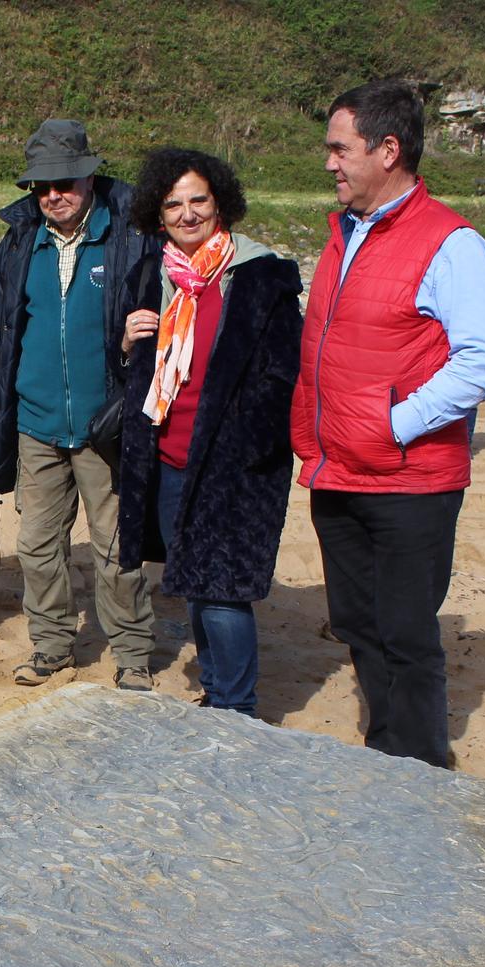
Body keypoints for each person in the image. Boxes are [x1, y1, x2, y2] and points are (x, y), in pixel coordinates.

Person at [289, 79, 485, 768]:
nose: (329, 163)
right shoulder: (342, 234)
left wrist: (393, 422)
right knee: (356, 623)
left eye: (340, 148)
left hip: (409, 477)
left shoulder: (451, 243)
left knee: (407, 632)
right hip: (338, 468)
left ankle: (419, 767)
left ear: (388, 150)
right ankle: (386, 751)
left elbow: (484, 359)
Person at [112, 148, 302, 717]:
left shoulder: (261, 273)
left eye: (198, 200)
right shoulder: (153, 273)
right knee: (194, 577)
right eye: (173, 204)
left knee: (224, 589)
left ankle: (236, 706)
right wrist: (127, 341)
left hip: (233, 461)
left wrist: (249, 448)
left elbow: (282, 373)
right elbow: (134, 367)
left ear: (220, 202)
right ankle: (218, 688)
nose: (187, 213)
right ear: (157, 212)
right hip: (168, 454)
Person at [0, 119, 158, 691]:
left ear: (89, 176)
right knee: (37, 547)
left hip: (107, 424)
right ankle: (52, 646)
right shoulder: (18, 243)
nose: (54, 194)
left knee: (116, 548)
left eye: (66, 182)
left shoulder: (132, 237)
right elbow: (0, 333)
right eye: (42, 185)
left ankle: (131, 654)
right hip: (36, 421)